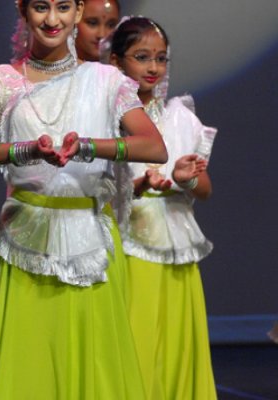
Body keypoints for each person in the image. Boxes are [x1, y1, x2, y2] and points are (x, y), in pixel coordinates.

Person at [0, 1, 168, 399]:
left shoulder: (105, 80)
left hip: (92, 246)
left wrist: (87, 146)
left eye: (64, 7)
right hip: (23, 244)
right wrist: (25, 150)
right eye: (41, 7)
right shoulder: (0, 80)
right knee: (26, 371)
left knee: (96, 371)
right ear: (23, 10)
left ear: (79, 10)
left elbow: (153, 146)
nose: (52, 20)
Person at [108, 17, 217, 399]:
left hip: (176, 244)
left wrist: (185, 178)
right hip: (129, 245)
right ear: (117, 62)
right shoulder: (107, 120)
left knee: (175, 345)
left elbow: (203, 188)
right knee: (137, 342)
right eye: (142, 57)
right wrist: (136, 186)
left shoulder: (180, 118)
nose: (153, 67)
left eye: (161, 58)